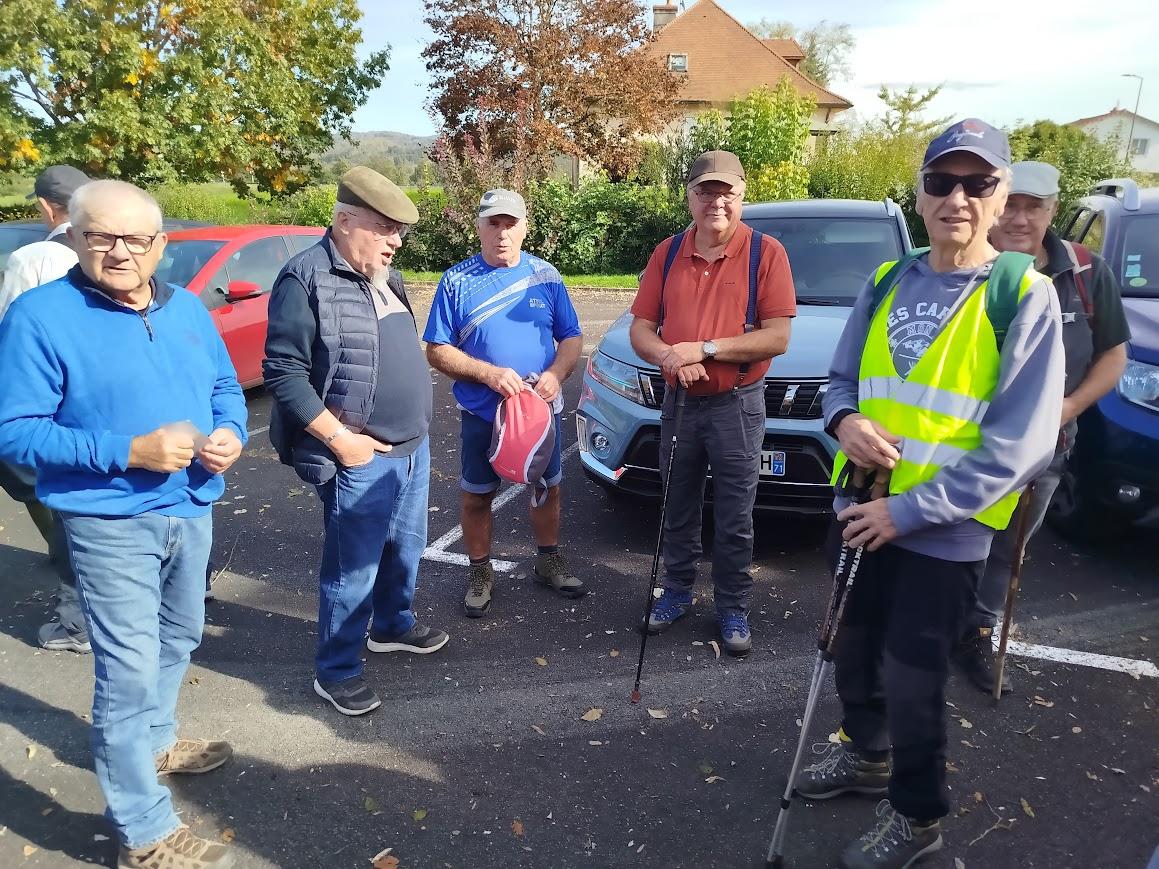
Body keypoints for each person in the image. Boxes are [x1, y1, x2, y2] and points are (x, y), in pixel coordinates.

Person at [796, 120, 1065, 869]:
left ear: (1001, 194)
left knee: (913, 681)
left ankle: (916, 816)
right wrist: (842, 421)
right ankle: (864, 752)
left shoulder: (1022, 295)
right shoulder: (887, 280)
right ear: (917, 193)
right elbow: (839, 382)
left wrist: (904, 511)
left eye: (977, 184)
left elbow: (1020, 444)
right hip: (856, 508)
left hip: (940, 535)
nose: (957, 197)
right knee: (851, 654)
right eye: (941, 181)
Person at [0, 180, 248, 868]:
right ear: (74, 237)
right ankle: (144, 833)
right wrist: (128, 451)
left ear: (160, 245)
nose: (118, 251)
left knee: (180, 634)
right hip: (107, 520)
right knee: (129, 670)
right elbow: (13, 432)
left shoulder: (188, 309)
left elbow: (225, 389)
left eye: (135, 238)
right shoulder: (40, 316)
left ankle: (156, 741)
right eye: (101, 235)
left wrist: (229, 432)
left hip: (190, 505)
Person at [264, 166, 447, 718]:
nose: (395, 243)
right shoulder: (305, 279)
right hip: (359, 454)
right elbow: (284, 373)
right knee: (353, 567)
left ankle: (392, 626)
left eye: (400, 232)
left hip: (411, 447)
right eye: (384, 229)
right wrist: (341, 441)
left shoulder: (380, 274)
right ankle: (337, 669)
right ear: (344, 222)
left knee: (405, 547)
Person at [954, 160, 1130, 693]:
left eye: (1035, 206)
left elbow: (1113, 355)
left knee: (1007, 545)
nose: (1019, 218)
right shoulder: (959, 266)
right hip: (960, 445)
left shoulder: (1084, 272)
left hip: (1044, 449)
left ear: (1052, 211)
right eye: (1011, 203)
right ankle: (933, 624)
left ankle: (976, 633)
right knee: (950, 538)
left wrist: (1070, 406)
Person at [628, 150, 796, 656]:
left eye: (726, 191)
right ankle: (676, 593)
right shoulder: (669, 250)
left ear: (742, 194)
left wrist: (705, 349)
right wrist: (671, 358)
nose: (716, 201)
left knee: (734, 512)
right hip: (679, 402)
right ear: (689, 195)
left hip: (736, 405)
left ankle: (731, 606)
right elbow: (641, 329)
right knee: (675, 503)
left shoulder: (766, 253)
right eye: (705, 190)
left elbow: (777, 337)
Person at [424, 189, 585, 617]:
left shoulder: (546, 276)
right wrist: (488, 374)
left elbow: (571, 338)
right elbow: (437, 349)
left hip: (538, 415)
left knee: (547, 488)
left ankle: (548, 560)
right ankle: (480, 570)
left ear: (524, 227)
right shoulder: (456, 281)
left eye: (510, 223)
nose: (502, 232)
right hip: (483, 413)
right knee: (477, 495)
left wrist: (555, 374)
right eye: (493, 223)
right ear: (478, 227)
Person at [0, 164, 92, 653]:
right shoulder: (107, 254)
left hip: (50, 410)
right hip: (98, 409)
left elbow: (14, 337)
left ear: (43, 206)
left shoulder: (34, 257)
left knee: (59, 506)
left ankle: (77, 623)